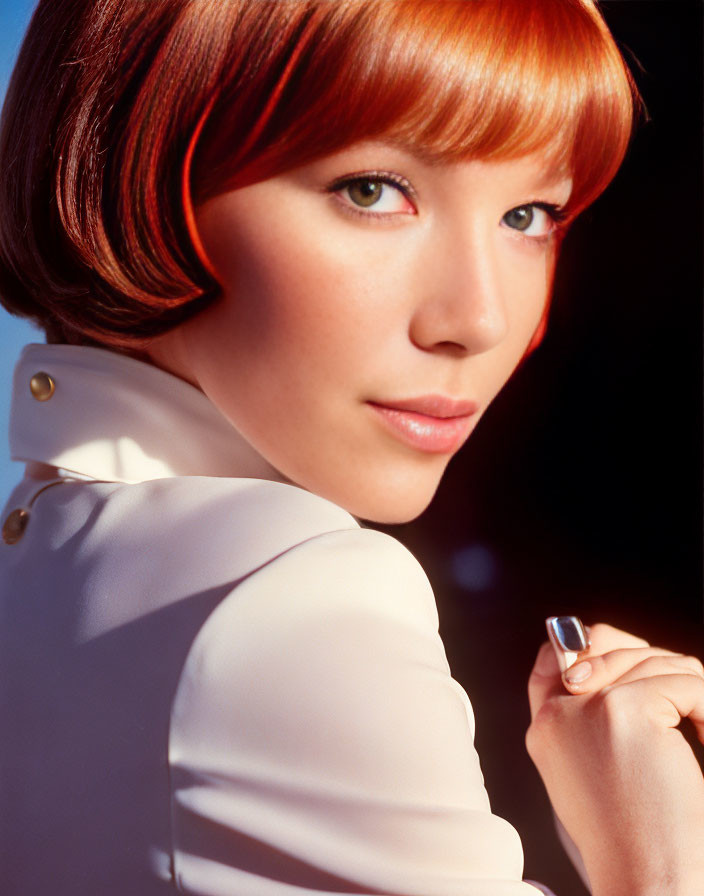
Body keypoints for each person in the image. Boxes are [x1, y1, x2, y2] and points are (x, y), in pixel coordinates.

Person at [0, 1, 702, 894]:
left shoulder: (37, 566)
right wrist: (661, 863)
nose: (477, 320)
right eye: (372, 190)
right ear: (132, 174)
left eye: (528, 214)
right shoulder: (298, 593)